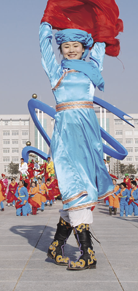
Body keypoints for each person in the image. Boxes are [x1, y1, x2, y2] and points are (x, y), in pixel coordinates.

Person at [40, 18, 115, 270]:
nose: (71, 49)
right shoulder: (56, 72)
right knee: (76, 189)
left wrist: (102, 26)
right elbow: (43, 47)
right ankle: (88, 253)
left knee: (85, 191)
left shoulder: (92, 68)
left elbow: (101, 45)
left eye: (76, 45)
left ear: (84, 48)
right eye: (66, 46)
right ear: (60, 49)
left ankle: (56, 245)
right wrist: (46, 25)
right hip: (66, 135)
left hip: (88, 134)